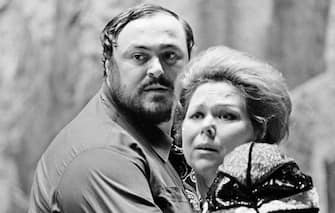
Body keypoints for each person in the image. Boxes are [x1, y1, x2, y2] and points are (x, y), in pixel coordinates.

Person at [28, 4, 195, 213]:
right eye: (139, 56)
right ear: (108, 65)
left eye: (170, 55)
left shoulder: (164, 133)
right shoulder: (102, 159)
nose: (157, 70)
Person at [172, 46, 318, 212]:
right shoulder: (161, 190)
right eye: (197, 115)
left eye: (227, 116)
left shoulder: (285, 196)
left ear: (259, 130)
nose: (207, 127)